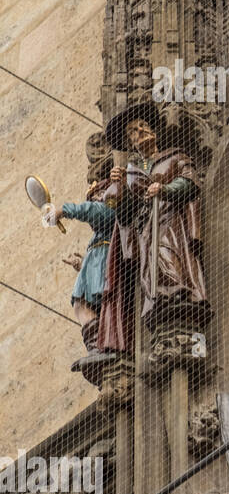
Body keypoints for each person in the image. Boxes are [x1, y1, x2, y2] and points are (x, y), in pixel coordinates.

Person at [103, 102, 211, 332]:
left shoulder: (174, 156)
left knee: (166, 251)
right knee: (149, 265)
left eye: (142, 125)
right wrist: (118, 185)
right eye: (133, 130)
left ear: (153, 130)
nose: (139, 131)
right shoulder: (131, 172)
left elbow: (190, 181)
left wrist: (165, 190)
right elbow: (124, 216)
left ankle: (179, 291)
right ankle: (160, 298)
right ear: (129, 142)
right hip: (145, 226)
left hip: (169, 217)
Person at [50, 178, 118, 379]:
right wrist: (81, 265)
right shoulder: (98, 234)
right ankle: (96, 347)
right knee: (82, 305)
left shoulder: (110, 209)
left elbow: (94, 212)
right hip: (94, 267)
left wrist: (63, 210)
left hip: (106, 264)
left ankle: (102, 345)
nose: (94, 200)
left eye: (96, 196)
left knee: (89, 304)